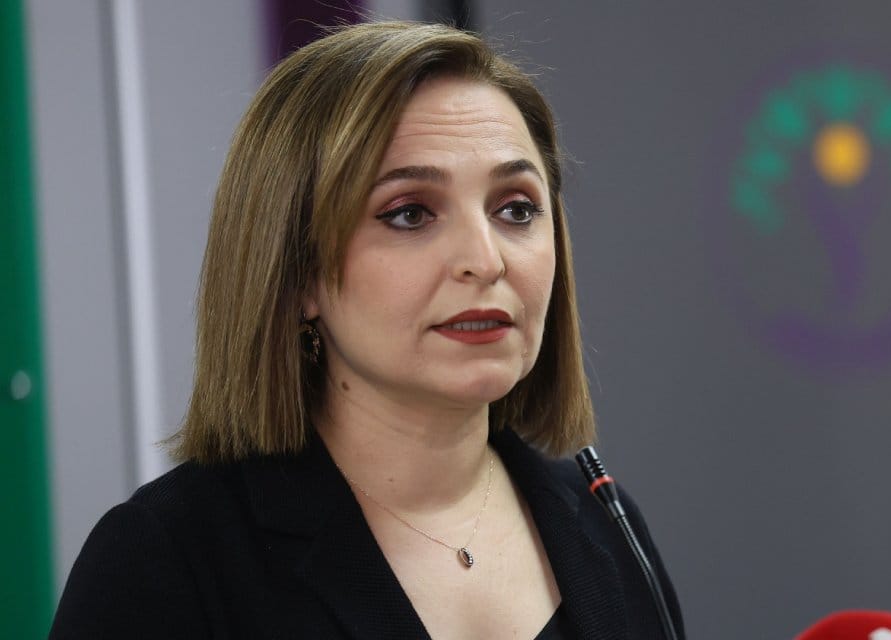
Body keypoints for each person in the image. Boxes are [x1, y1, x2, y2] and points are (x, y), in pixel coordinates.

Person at [49, 22, 683, 640]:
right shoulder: (164, 562)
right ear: (297, 271)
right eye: (409, 214)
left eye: (516, 209)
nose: (485, 260)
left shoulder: (606, 521)